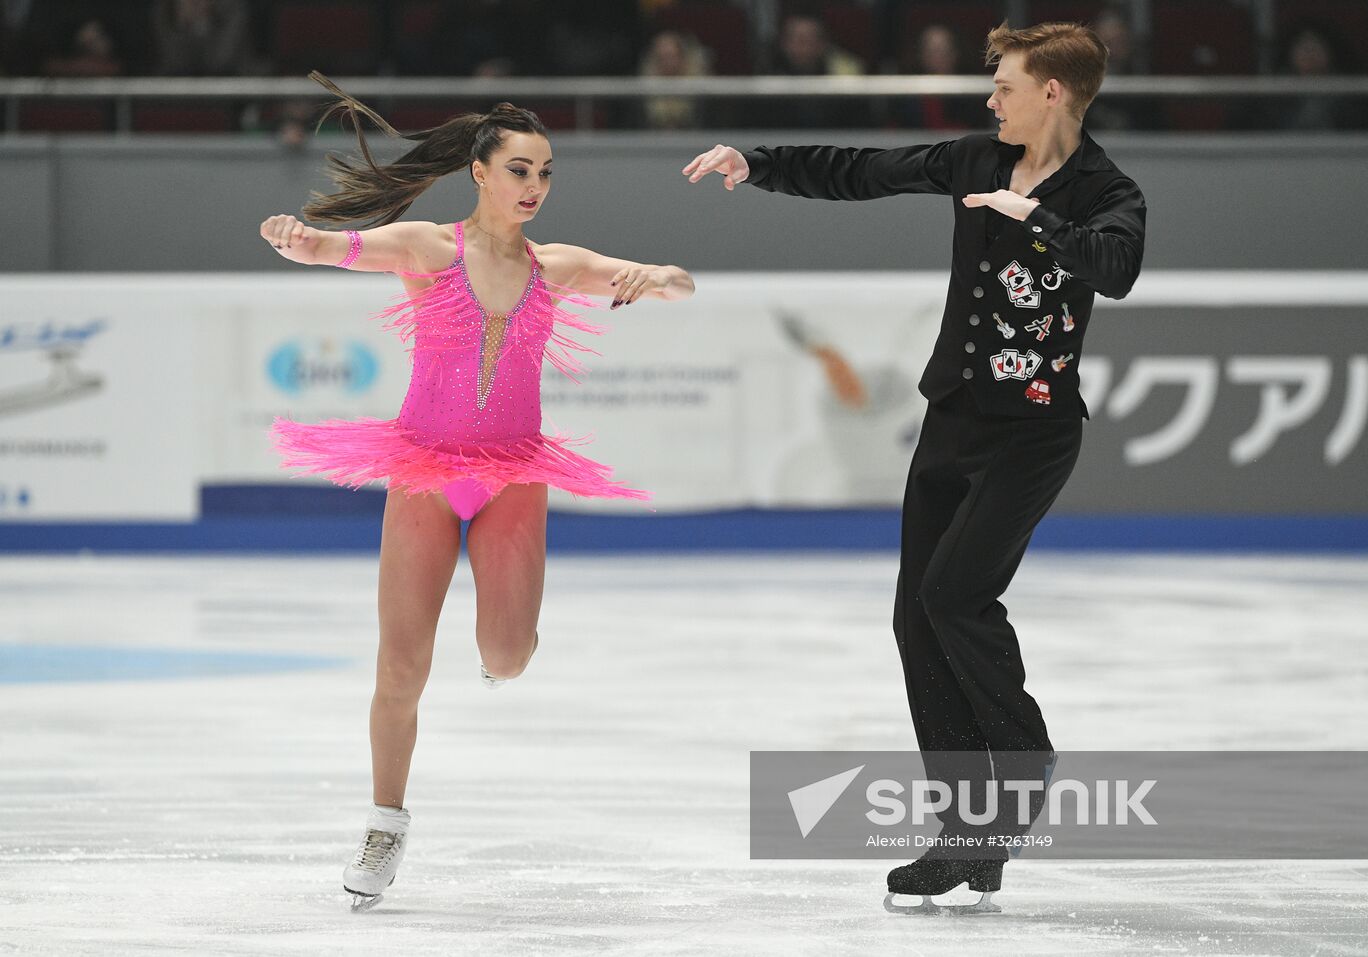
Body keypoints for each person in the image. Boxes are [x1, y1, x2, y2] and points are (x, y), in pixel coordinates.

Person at [684, 20, 1145, 912]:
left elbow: (1117, 268)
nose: (990, 100)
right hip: (952, 421)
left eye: (1004, 86)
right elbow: (868, 170)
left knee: (955, 595)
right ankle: (965, 829)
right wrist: (759, 161)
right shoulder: (977, 159)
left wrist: (1037, 219)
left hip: (1033, 432)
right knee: (914, 614)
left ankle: (1020, 760)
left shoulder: (1106, 191)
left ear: (1052, 92)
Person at [260, 73, 695, 910]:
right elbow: (344, 248)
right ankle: (386, 821)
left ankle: (504, 660)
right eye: (521, 169)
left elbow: (656, 278)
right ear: (481, 173)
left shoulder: (555, 265)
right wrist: (298, 239)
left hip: (514, 477)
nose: (535, 186)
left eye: (546, 172)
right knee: (402, 663)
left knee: (506, 652)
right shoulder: (430, 249)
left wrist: (663, 276)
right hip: (424, 470)